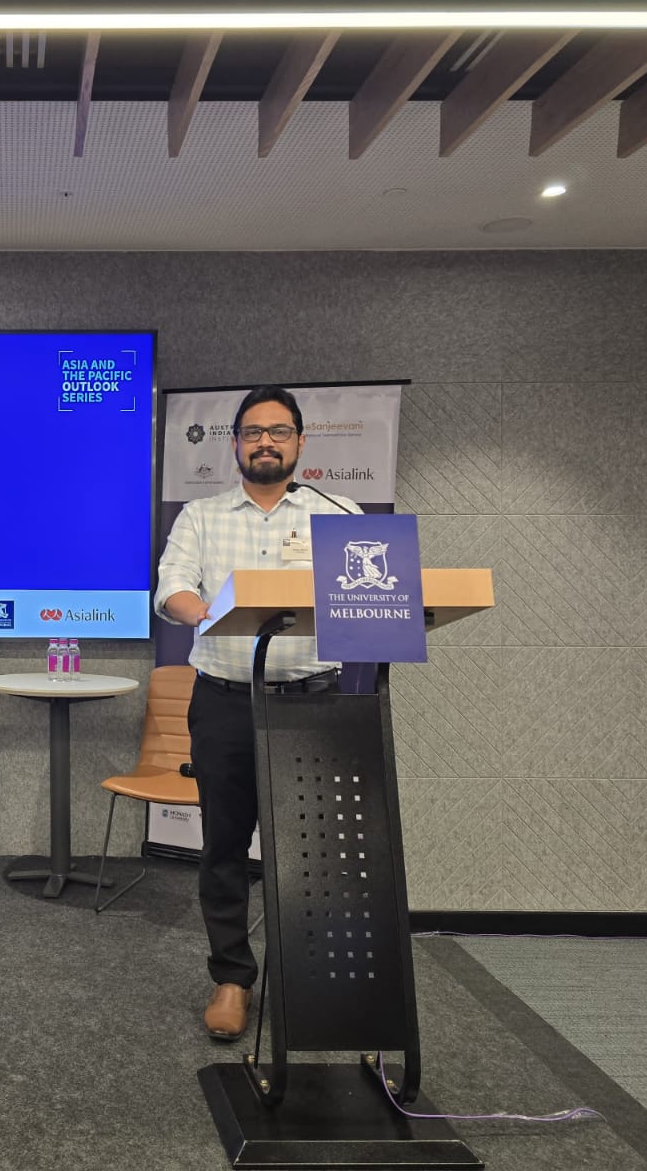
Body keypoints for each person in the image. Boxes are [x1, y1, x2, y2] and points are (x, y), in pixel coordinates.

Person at [154, 385, 359, 1040]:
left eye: (278, 431)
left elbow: (366, 594)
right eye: (252, 432)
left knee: (312, 849)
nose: (265, 442)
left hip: (311, 703)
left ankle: (310, 977)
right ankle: (232, 980)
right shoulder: (201, 516)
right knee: (223, 846)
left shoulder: (339, 514)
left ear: (300, 442)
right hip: (224, 703)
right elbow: (172, 588)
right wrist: (210, 612)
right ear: (236, 444)